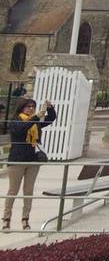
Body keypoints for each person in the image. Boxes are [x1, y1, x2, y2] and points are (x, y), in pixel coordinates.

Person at [4, 97, 56, 230]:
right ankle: (6, 219)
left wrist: (49, 107)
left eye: (33, 106)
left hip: (33, 161)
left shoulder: (35, 121)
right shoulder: (16, 121)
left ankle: (25, 219)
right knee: (13, 191)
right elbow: (21, 129)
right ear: (22, 108)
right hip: (17, 161)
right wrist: (36, 117)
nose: (31, 109)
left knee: (28, 191)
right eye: (28, 106)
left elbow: (50, 119)